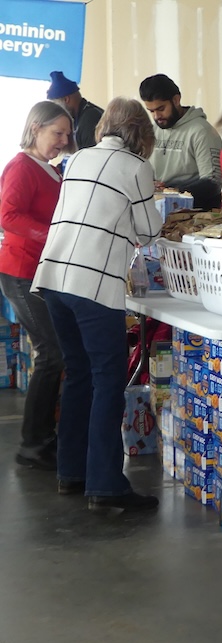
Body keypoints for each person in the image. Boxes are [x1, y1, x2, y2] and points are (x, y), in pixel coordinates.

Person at [31, 98, 163, 509]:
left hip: (53, 277)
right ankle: (106, 486)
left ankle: (72, 472)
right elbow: (150, 228)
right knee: (108, 380)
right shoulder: (137, 168)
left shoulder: (79, 158)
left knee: (80, 375)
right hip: (94, 284)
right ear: (141, 134)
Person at [0, 101, 72, 471]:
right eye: (56, 133)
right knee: (52, 353)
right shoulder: (21, 167)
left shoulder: (50, 169)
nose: (62, 140)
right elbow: (8, 215)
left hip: (40, 271)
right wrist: (51, 238)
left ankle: (43, 437)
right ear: (35, 129)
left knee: (55, 353)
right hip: (20, 271)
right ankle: (33, 444)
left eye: (66, 134)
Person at [138, 73, 222, 209]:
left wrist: (173, 191)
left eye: (161, 109)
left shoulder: (201, 131)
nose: (157, 116)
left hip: (195, 214)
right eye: (151, 111)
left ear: (176, 100)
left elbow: (213, 183)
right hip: (160, 210)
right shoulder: (153, 131)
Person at [46, 70, 104, 150]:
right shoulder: (82, 115)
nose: (56, 113)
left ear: (66, 99)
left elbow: (90, 158)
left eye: (56, 106)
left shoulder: (90, 118)